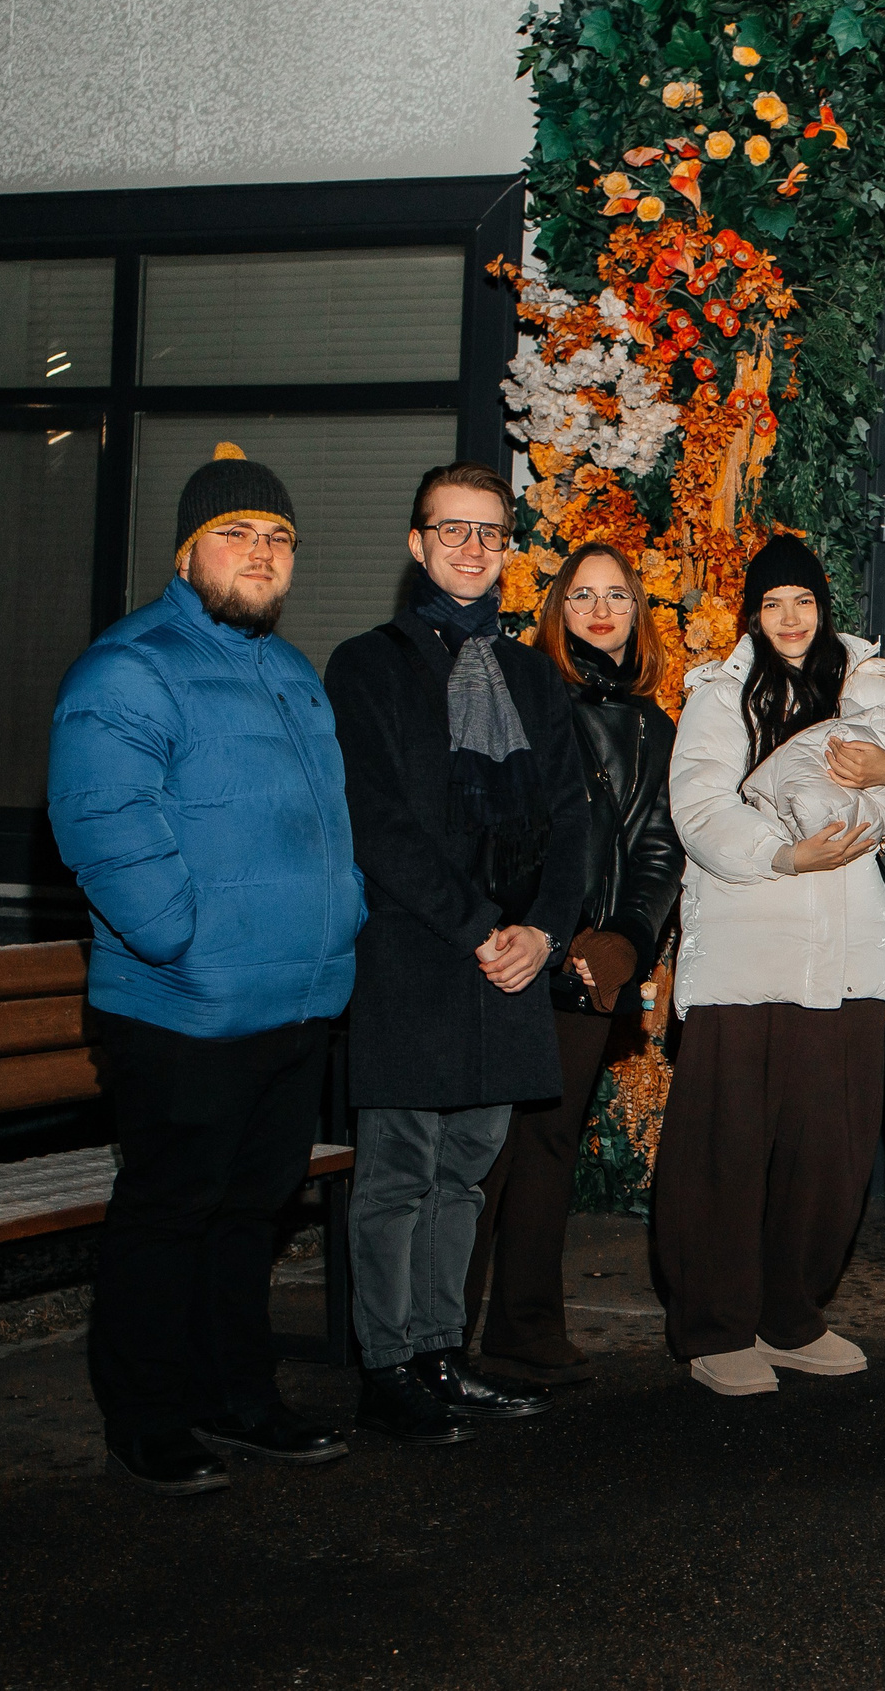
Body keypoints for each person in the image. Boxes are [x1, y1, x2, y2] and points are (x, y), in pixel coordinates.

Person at [48, 442, 366, 1494]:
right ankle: (148, 1416)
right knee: (170, 1213)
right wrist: (187, 941)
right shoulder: (127, 669)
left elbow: (324, 828)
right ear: (187, 553)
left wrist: (342, 919)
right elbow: (107, 832)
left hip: (295, 998)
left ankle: (240, 1396)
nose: (261, 552)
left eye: (277, 537)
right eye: (236, 533)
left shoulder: (288, 672)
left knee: (251, 1214)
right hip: (184, 1005)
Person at [652, 537, 885, 1396]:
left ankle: (790, 1313)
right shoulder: (722, 694)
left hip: (850, 952)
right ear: (753, 615)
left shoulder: (874, 679)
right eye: (773, 604)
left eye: (803, 600)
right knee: (727, 1143)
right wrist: (781, 855)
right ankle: (714, 1325)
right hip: (747, 944)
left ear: (824, 606)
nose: (791, 619)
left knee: (829, 1146)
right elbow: (696, 807)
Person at [326, 460, 591, 1444]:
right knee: (399, 1168)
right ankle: (386, 1366)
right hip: (416, 954)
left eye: (489, 532)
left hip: (511, 965)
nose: (472, 549)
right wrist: (481, 925)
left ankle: (441, 1351)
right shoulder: (368, 665)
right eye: (453, 531)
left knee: (468, 1169)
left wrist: (543, 931)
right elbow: (376, 822)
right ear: (417, 544)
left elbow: (572, 818)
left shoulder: (527, 673)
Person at [461, 544, 682, 1386]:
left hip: (597, 963)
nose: (600, 609)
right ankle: (443, 1333)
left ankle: (525, 1329)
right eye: (582, 594)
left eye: (616, 595)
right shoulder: (524, 697)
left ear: (636, 611)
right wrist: (528, 927)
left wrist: (626, 937)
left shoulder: (653, 725)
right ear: (556, 609)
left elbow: (657, 847)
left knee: (551, 1143)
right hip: (520, 949)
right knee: (487, 1145)